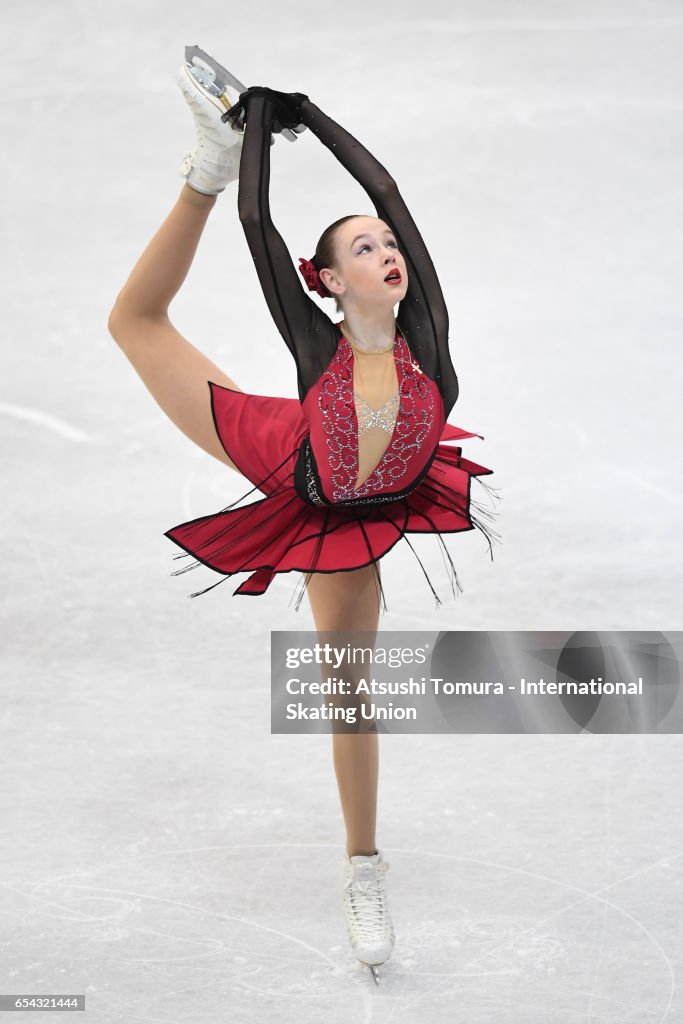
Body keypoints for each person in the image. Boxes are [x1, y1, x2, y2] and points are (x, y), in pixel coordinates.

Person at [108, 48, 501, 982]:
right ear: (325, 280)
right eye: (361, 247)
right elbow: (261, 222)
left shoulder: (429, 347)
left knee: (348, 697)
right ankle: (194, 171)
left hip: (357, 514)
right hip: (286, 453)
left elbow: (392, 189)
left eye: (388, 245)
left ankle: (362, 868)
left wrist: (310, 113)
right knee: (135, 322)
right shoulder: (313, 344)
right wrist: (247, 141)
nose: (386, 250)